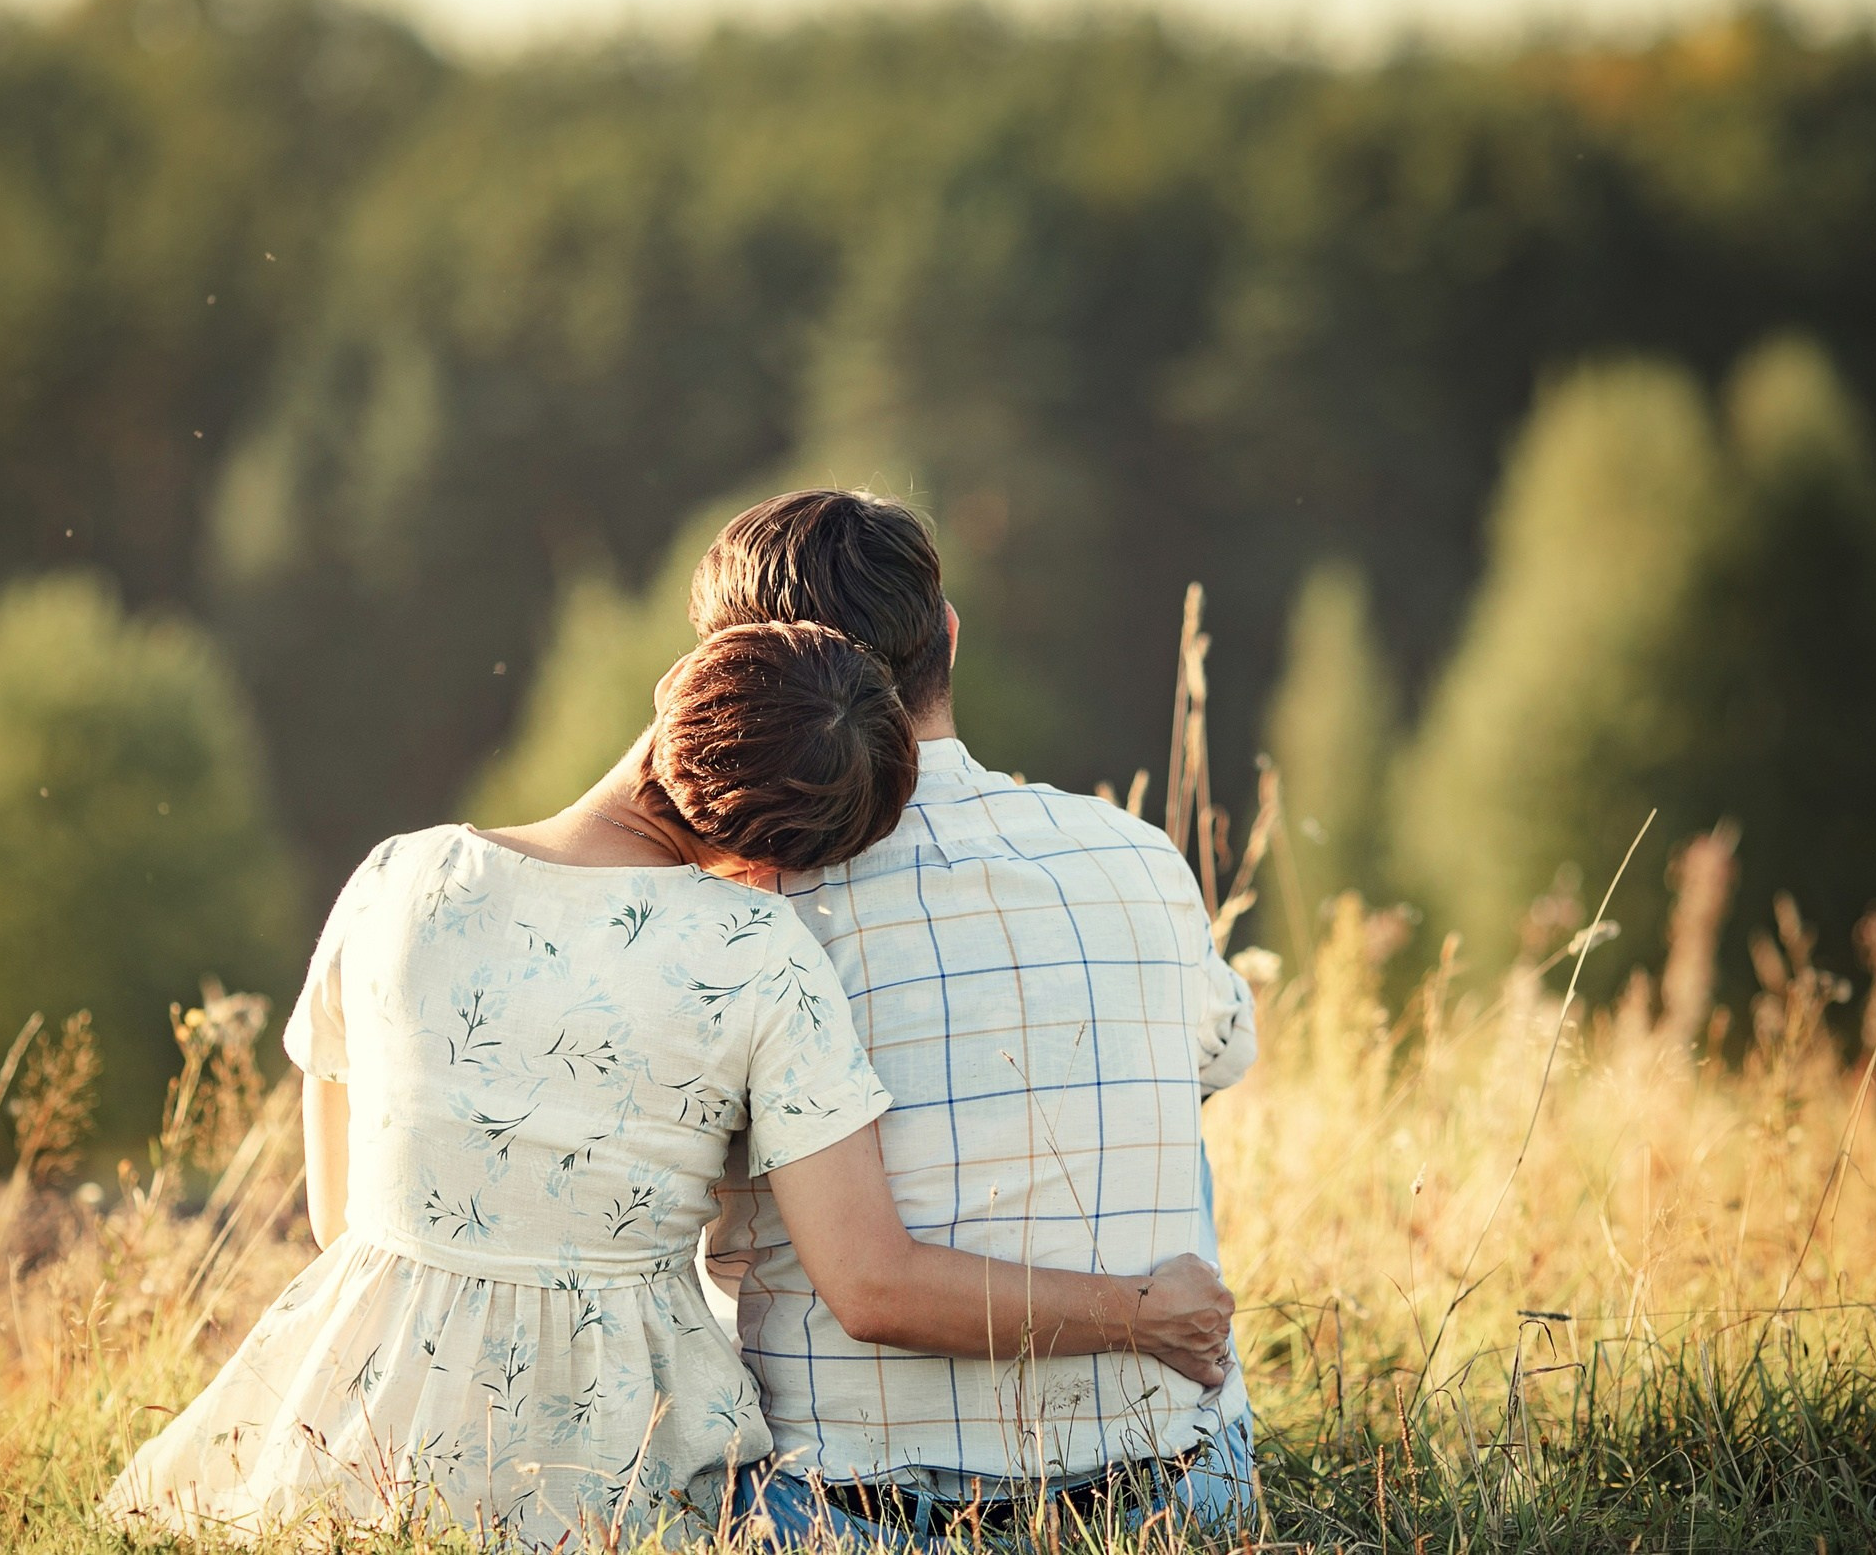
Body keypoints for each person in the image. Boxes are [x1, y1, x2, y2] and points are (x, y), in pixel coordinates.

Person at [99, 620, 1237, 1546]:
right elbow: (873, 1281)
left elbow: (336, 1215)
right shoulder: (755, 949)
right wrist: (1140, 1312)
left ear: (673, 685)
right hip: (607, 1454)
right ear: (782, 851)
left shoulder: (401, 875)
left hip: (351, 1418)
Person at [699, 492, 1264, 1544]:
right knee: (1160, 1089)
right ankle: (1122, 1411)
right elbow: (1221, 1051)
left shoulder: (742, 916)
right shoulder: (1134, 849)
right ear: (946, 637)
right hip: (1176, 1488)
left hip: (852, 1513)